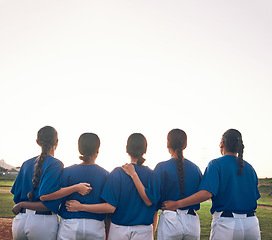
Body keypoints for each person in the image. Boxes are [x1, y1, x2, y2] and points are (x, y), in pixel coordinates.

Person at [162, 129, 261, 240]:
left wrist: (177, 204)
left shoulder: (216, 164)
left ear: (222, 144)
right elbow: (254, 196)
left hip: (227, 223)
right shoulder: (250, 168)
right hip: (252, 224)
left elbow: (206, 193)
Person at [66, 133, 158, 240]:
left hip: (119, 229)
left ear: (127, 149)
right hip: (144, 230)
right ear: (145, 150)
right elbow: (155, 210)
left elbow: (110, 208)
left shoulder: (117, 173)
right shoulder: (153, 175)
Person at [11, 126, 90, 240]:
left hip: (20, 221)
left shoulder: (26, 163)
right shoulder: (55, 164)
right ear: (57, 142)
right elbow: (46, 195)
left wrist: (22, 204)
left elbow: (16, 195)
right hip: (42, 221)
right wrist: (76, 188)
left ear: (38, 142)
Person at [122, 128, 202, 240]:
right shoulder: (195, 169)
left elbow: (148, 200)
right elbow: (202, 195)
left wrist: (134, 175)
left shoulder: (162, 167)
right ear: (185, 145)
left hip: (170, 220)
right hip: (192, 222)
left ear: (168, 144)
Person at [40, 132, 109, 240]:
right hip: (95, 226)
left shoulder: (66, 172)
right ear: (97, 149)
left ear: (79, 149)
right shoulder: (105, 174)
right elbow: (109, 207)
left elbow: (50, 195)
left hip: (70, 224)